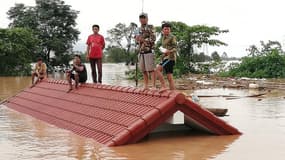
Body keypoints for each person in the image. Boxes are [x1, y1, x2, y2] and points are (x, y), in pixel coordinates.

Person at [135, 12, 156, 90]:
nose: (142, 19)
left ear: (147, 19)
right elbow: (136, 40)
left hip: (149, 51)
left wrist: (143, 40)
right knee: (143, 70)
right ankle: (146, 86)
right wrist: (137, 40)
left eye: (144, 18)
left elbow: (153, 39)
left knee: (151, 69)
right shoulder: (137, 29)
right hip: (140, 51)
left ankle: (153, 86)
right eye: (141, 18)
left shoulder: (151, 27)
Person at [156, 22, 177, 92]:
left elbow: (175, 48)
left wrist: (169, 51)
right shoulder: (163, 38)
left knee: (157, 69)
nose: (167, 30)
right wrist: (164, 54)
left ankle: (164, 86)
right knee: (169, 77)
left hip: (170, 58)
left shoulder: (172, 37)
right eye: (165, 29)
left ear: (170, 30)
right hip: (165, 58)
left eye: (168, 29)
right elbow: (165, 49)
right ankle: (173, 93)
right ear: (162, 30)